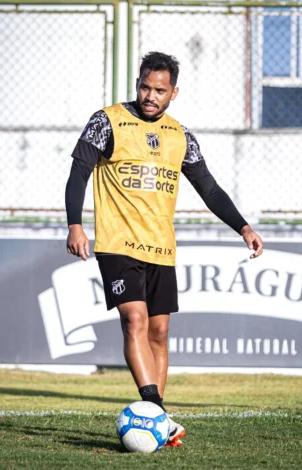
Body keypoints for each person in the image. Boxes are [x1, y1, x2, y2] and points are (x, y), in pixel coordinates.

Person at [65, 51, 263, 447]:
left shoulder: (180, 136)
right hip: (117, 243)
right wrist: (75, 224)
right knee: (134, 320)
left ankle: (160, 419)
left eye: (159, 90)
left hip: (160, 247)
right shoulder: (106, 122)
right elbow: (78, 174)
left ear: (174, 92)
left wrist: (242, 226)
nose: (150, 96)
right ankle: (155, 410)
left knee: (159, 331)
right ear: (137, 83)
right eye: (144, 87)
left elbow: (209, 189)